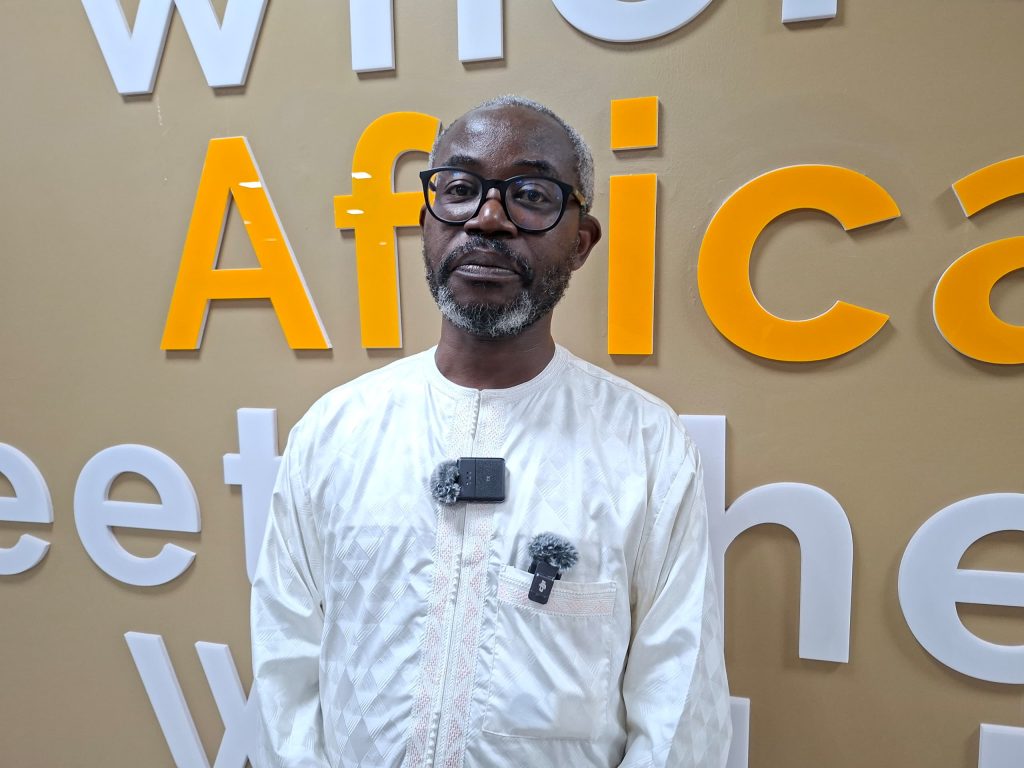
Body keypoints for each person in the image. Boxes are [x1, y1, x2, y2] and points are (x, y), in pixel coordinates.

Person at [251, 95, 732, 768]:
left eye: (531, 195)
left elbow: (679, 706)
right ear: (427, 221)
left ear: (581, 241)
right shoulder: (335, 432)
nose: (487, 217)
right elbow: (286, 671)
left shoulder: (647, 447)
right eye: (459, 189)